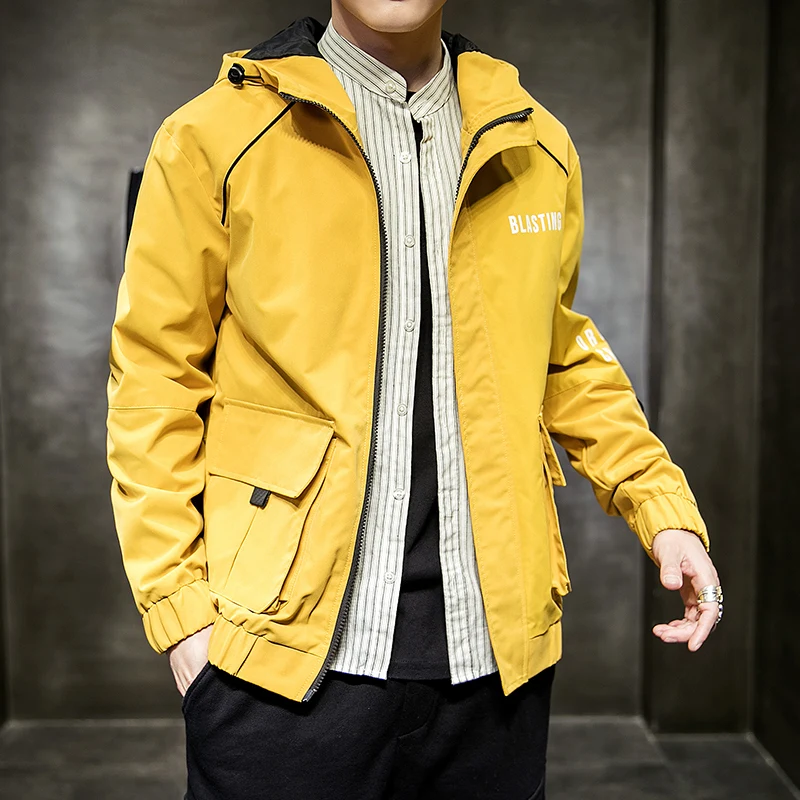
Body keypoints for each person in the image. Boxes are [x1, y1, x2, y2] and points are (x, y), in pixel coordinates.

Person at [105, 1, 723, 797]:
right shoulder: (213, 136)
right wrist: (180, 614)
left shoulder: (537, 144)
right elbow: (153, 377)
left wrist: (662, 509)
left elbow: (561, 357)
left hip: (493, 668)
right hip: (279, 664)